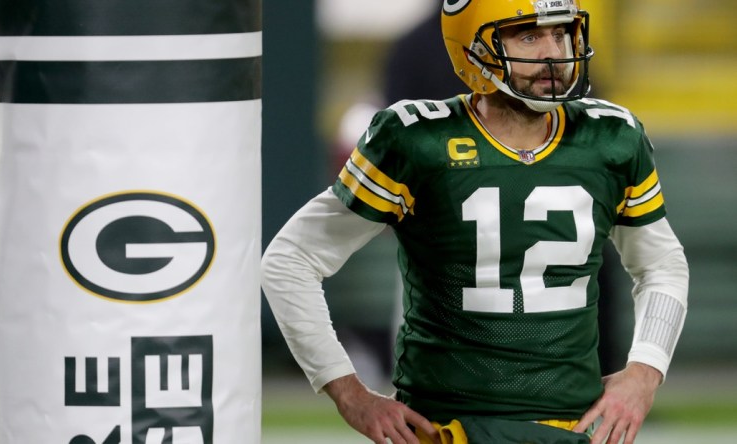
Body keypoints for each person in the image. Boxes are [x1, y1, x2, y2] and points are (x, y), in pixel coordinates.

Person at [261, 1, 689, 443]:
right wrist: (349, 393)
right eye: (529, 36)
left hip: (572, 428)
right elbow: (290, 259)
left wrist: (644, 371)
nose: (552, 53)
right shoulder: (415, 140)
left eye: (561, 34)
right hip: (446, 429)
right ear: (473, 48)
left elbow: (662, 265)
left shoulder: (611, 137)